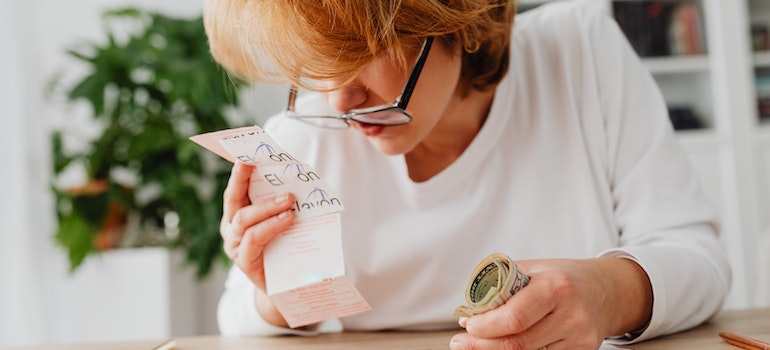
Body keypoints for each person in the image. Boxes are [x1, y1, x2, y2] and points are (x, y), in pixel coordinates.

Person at [203, 0, 731, 349]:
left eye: (363, 51)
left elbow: (698, 259)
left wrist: (609, 293)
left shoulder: (580, 54)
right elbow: (236, 320)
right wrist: (280, 295)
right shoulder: (301, 136)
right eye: (317, 60)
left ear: (456, 17)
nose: (340, 100)